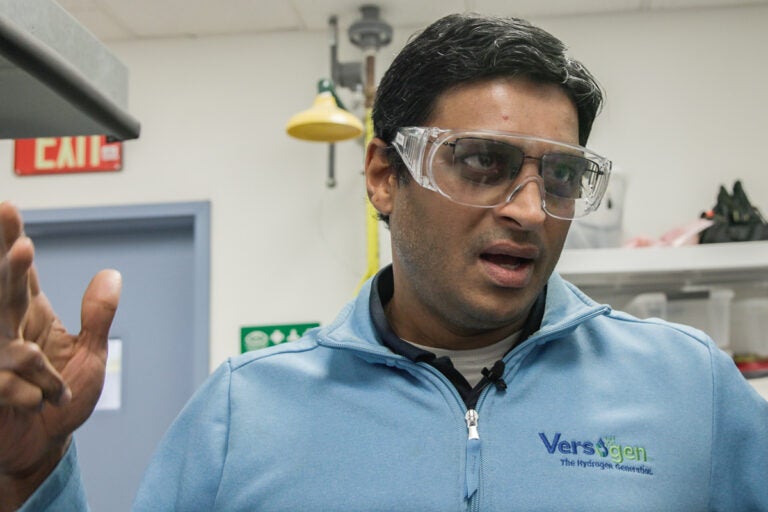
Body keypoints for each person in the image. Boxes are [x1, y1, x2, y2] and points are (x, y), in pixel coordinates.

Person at [1, 12, 767, 512]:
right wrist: (30, 476)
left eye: (560, 176)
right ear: (381, 177)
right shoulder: (244, 412)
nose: (530, 209)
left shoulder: (688, 389)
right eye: (481, 162)